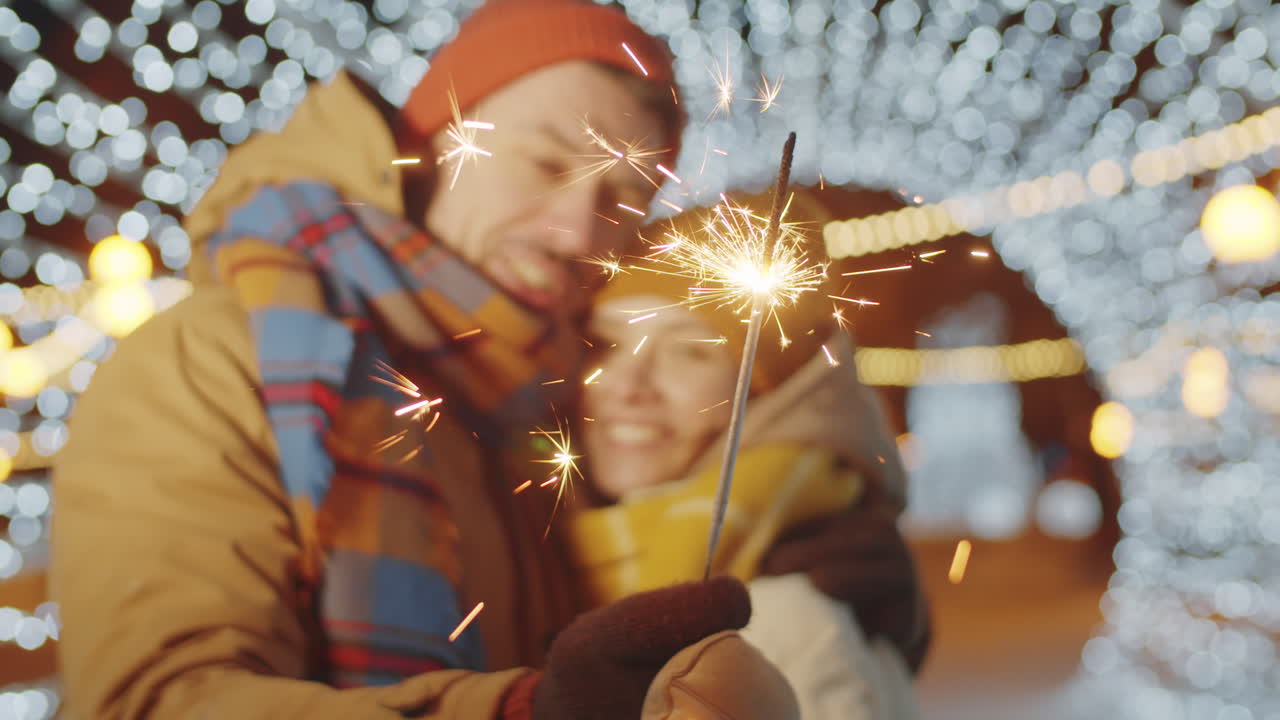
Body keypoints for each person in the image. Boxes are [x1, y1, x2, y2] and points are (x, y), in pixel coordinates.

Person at [51, 1, 926, 717]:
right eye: (545, 162)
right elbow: (157, 701)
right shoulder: (212, 359)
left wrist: (833, 604)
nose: (578, 229)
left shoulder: (543, 405)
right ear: (434, 142)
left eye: (624, 194)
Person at [566, 190, 922, 719]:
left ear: (764, 392)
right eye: (608, 345)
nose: (628, 385)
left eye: (690, 351)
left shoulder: (783, 615)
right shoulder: (560, 541)